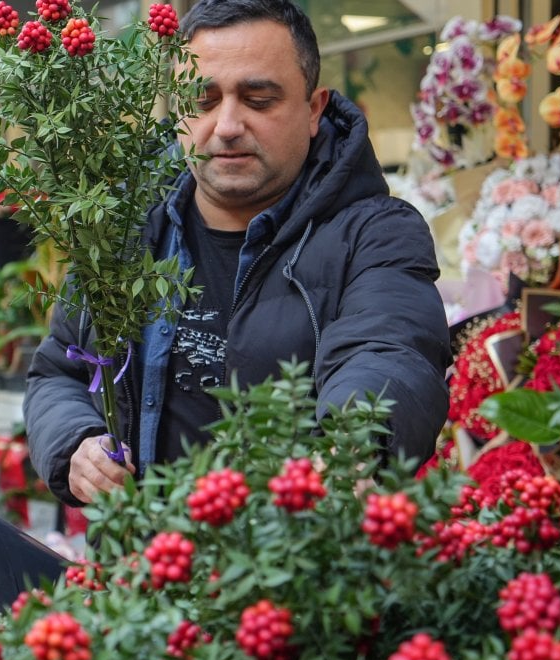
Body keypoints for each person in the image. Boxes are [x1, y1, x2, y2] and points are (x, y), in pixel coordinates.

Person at [24, 0, 451, 506]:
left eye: (259, 99)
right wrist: (74, 444)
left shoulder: (375, 235)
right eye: (203, 101)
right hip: (138, 569)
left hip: (287, 566)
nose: (226, 125)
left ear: (314, 109)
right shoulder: (124, 229)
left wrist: (350, 446)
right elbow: (60, 371)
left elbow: (388, 351)